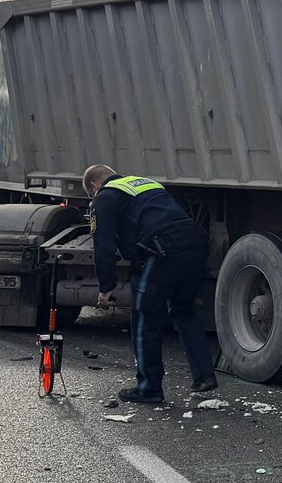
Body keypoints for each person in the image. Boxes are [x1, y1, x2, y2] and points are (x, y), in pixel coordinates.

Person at [83, 164, 216, 405]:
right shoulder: (145, 183)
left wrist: (106, 287)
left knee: (144, 316)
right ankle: (204, 376)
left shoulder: (104, 197)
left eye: (91, 194)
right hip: (194, 246)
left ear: (94, 186)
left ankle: (148, 388)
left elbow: (103, 245)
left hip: (161, 252)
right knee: (184, 310)